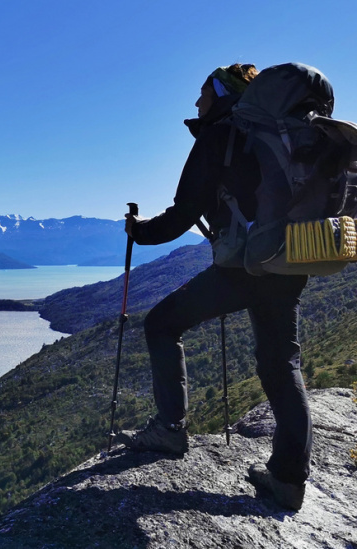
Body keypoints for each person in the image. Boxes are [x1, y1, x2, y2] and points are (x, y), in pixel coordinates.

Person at [115, 63, 312, 511]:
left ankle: (169, 429)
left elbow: (185, 211)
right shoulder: (286, 136)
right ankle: (288, 479)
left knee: (162, 324)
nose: (197, 102)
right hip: (290, 260)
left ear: (222, 93)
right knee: (282, 364)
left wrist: (139, 232)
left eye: (203, 92)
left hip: (243, 268)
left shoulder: (221, 134)